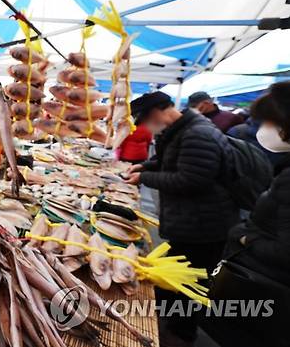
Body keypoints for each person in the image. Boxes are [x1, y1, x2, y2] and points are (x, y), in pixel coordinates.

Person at [124, 91, 238, 347]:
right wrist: (145, 167)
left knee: (189, 284)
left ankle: (180, 335)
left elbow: (191, 179)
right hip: (191, 222)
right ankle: (168, 324)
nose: (144, 127)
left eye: (143, 120)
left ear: (157, 113)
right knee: (173, 280)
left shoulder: (197, 133)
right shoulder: (183, 129)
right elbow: (170, 161)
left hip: (204, 227)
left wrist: (144, 178)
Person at [203, 81, 290, 347]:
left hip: (265, 289)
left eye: (268, 122)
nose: (263, 130)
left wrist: (245, 237)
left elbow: (285, 251)